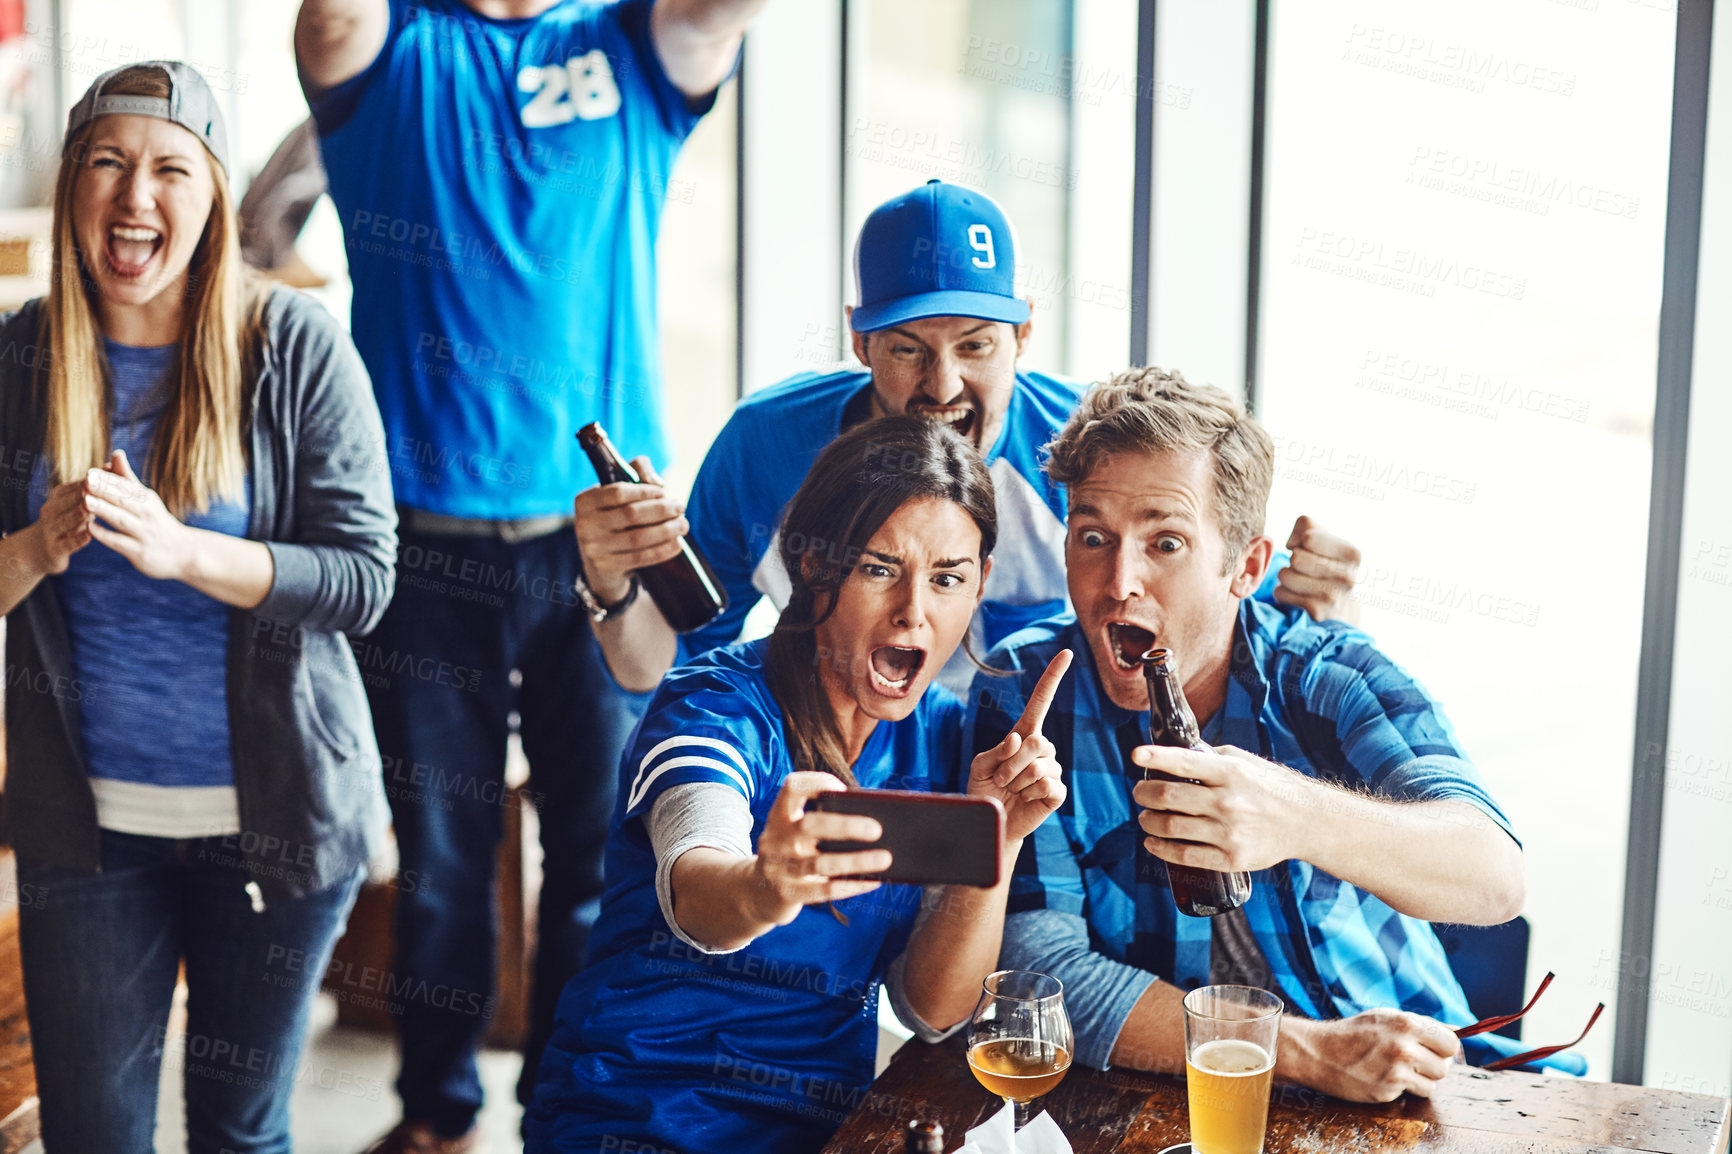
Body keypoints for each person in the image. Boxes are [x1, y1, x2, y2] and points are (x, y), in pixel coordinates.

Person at [294, 1, 768, 1146]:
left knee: (599, 853)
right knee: (445, 864)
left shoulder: (626, 45)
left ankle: (563, 1112)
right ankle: (437, 1115)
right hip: (421, 545)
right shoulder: (386, 45)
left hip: (597, 543)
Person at [971, 367, 1567, 1100]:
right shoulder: (1026, 694)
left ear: (1246, 566)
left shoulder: (1328, 674)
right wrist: (1305, 1052)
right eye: (1093, 536)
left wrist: (1294, 815)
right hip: (1175, 1094)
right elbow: (1044, 971)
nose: (1118, 580)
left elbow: (1494, 878)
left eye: (1166, 543)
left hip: (1415, 1091)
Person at [0, 62, 396, 1152]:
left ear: (215, 196)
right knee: (94, 1138)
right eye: (109, 164)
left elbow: (364, 578)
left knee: (238, 1132)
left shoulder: (294, 347)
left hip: (272, 820)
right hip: (86, 831)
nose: (136, 197)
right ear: (74, 183)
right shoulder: (18, 356)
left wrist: (188, 553)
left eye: (171, 168)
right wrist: (38, 545)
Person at [573, 179, 1362, 696]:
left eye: (976, 346)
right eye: (908, 348)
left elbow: (1227, 613)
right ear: (859, 342)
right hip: (843, 757)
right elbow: (666, 668)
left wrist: (1322, 595)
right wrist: (612, 583)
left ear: (1024, 335)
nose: (942, 387)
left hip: (1040, 777)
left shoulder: (1096, 452)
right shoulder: (768, 444)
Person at [525, 416, 1071, 1153]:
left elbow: (932, 1010)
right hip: (635, 1114)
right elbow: (697, 885)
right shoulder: (713, 706)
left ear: (980, 590)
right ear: (812, 567)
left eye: (948, 578)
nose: (915, 609)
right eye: (879, 568)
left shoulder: (945, 739)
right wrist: (764, 888)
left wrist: (996, 839)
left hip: (814, 1127)